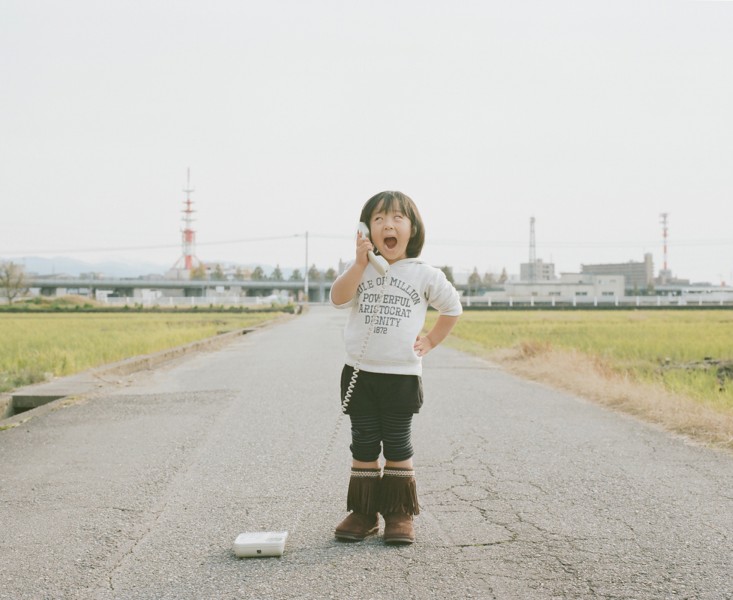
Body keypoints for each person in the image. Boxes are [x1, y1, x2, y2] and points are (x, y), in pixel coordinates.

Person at [330, 190, 462, 544]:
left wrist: (432, 340)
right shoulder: (361, 271)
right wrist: (359, 263)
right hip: (360, 371)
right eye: (378, 219)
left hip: (401, 375)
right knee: (364, 443)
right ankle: (363, 512)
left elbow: (452, 308)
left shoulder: (425, 274)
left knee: (398, 443)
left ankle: (399, 514)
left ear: (413, 229)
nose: (388, 224)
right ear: (366, 231)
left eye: (397, 218)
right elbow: (338, 298)